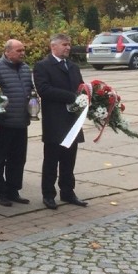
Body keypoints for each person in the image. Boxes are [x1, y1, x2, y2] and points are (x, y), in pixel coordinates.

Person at [33, 33, 89, 210]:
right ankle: (48, 194)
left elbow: (80, 86)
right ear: (53, 47)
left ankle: (68, 191)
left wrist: (86, 96)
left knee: (69, 159)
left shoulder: (72, 66)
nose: (68, 47)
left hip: (72, 121)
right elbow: (44, 89)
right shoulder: (43, 66)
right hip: (54, 121)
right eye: (64, 44)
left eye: (69, 44)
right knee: (51, 160)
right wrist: (71, 97)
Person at [0, 39, 33, 206]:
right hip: (4, 123)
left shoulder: (26, 68)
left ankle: (13, 189)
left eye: (23, 50)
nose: (22, 53)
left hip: (21, 121)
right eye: (18, 50)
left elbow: (30, 91)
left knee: (18, 159)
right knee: (0, 160)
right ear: (7, 51)